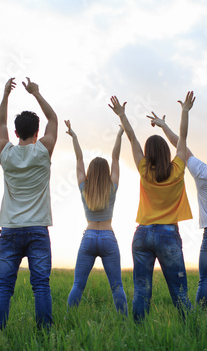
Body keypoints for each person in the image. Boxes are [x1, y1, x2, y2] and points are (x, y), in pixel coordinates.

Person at [147, 112, 207, 313]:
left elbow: (180, 145)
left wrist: (164, 126)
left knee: (205, 281)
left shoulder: (200, 170)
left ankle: (200, 318)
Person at [109, 92, 194, 322]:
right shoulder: (177, 170)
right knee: (179, 292)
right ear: (167, 153)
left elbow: (132, 138)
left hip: (143, 234)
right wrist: (184, 111)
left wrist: (122, 115)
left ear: (148, 154)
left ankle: (138, 333)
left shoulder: (144, 169)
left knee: (141, 291)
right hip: (168, 235)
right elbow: (183, 138)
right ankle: (192, 330)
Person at [0, 77, 58, 331]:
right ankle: (45, 335)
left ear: (16, 133)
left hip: (9, 230)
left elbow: (0, 124)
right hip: (38, 229)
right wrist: (37, 94)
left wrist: (5, 96)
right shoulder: (43, 151)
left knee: (4, 286)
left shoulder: (6, 153)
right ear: (37, 132)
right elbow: (54, 120)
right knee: (41, 285)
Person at [65, 120, 128, 315]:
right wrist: (118, 136)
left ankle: (69, 319)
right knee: (116, 285)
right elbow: (116, 158)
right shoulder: (112, 187)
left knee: (78, 285)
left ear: (91, 173)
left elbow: (79, 159)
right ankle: (125, 322)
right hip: (108, 238)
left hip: (89, 237)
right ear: (107, 172)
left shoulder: (84, 187)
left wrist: (74, 137)